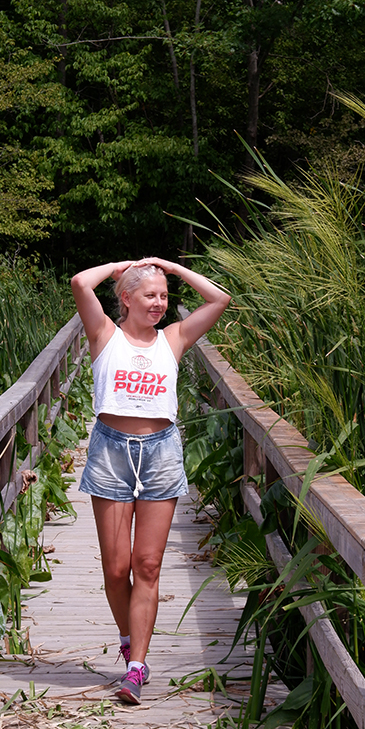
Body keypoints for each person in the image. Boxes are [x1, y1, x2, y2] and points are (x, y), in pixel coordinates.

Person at [70, 257, 231, 704]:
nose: (160, 303)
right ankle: (128, 636)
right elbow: (81, 280)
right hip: (110, 451)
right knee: (116, 568)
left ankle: (136, 667)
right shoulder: (104, 334)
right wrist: (122, 265)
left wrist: (175, 271)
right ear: (126, 298)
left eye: (163, 296)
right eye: (150, 295)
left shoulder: (174, 339)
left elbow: (220, 299)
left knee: (147, 566)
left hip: (160, 451)